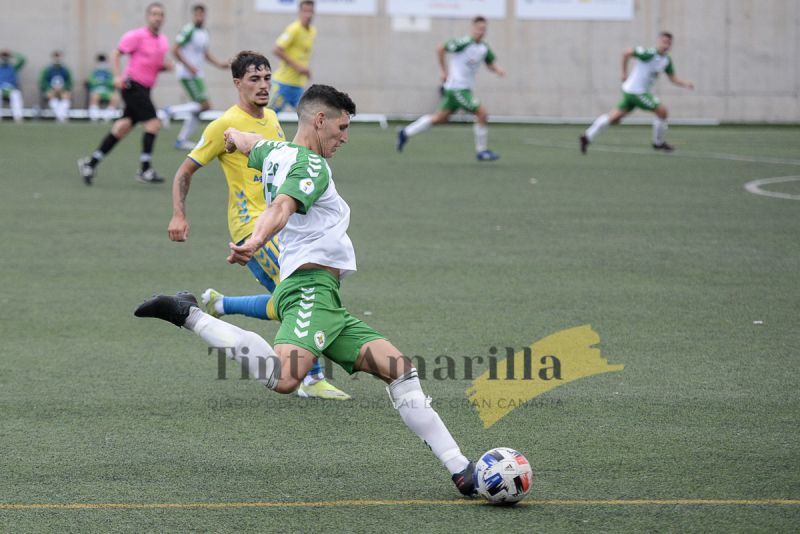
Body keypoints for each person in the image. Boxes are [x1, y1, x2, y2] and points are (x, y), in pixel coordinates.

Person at [136, 84, 477, 496]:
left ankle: (462, 469)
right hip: (309, 291)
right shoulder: (311, 167)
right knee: (284, 378)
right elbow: (281, 207)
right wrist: (257, 239)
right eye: (342, 127)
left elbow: (251, 143)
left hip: (326, 301)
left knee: (399, 371)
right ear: (320, 120)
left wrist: (235, 138)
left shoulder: (277, 152)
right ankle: (187, 313)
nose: (345, 137)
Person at [167, 51, 351, 401]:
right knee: (298, 291)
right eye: (254, 79)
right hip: (251, 227)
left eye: (267, 78)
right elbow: (184, 171)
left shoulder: (271, 119)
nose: (264, 85)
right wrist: (179, 214)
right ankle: (311, 378)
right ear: (237, 83)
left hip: (281, 224)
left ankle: (222, 305)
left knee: (286, 297)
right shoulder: (223, 124)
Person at [77, 2, 172, 186]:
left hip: (145, 89)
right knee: (153, 123)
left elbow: (153, 64)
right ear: (147, 16)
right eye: (154, 14)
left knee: (122, 127)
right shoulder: (136, 35)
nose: (157, 17)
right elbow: (116, 53)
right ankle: (145, 170)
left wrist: (164, 67)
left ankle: (90, 163)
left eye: (160, 14)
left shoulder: (163, 41)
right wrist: (116, 77)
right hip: (132, 86)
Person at [396, 16, 506, 161]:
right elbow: (441, 48)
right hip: (457, 89)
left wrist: (497, 70)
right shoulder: (464, 43)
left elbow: (490, 62)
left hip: (463, 89)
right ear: (473, 28)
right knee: (482, 114)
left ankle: (406, 132)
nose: (481, 31)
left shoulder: (483, 48)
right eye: (479, 28)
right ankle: (482, 151)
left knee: (439, 118)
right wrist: (443, 71)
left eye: (484, 29)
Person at [580, 32, 695, 154]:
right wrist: (623, 72)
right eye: (664, 42)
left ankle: (587, 136)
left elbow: (673, 78)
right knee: (662, 111)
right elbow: (627, 52)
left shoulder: (666, 60)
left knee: (614, 118)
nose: (666, 45)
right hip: (636, 92)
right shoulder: (649, 54)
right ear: (658, 41)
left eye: (669, 43)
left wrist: (685, 83)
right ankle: (658, 143)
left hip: (631, 92)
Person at [164, 4, 229, 150]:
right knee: (205, 105)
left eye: (202, 14)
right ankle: (170, 111)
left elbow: (205, 54)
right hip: (187, 74)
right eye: (197, 14)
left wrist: (219, 64)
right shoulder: (188, 30)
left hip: (197, 74)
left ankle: (181, 140)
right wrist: (189, 66)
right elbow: (174, 50)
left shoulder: (204, 32)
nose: (200, 17)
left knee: (201, 108)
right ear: (193, 15)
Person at [268, 0, 316, 113]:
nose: (308, 14)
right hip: (283, 84)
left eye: (310, 11)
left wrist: (306, 70)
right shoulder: (294, 29)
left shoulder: (312, 31)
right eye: (305, 11)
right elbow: (276, 49)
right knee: (268, 115)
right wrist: (298, 67)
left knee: (309, 117)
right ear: (299, 12)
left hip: (298, 86)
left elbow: (302, 55)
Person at [39, 50, 73, 123]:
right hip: (51, 90)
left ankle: (60, 116)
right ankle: (61, 117)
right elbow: (42, 82)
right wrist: (50, 88)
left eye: (59, 57)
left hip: (63, 90)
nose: (57, 59)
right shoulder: (48, 70)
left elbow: (69, 82)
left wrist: (64, 88)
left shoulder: (65, 70)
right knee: (50, 95)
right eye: (56, 57)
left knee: (66, 95)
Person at [87, 53, 120, 122]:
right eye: (100, 61)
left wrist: (102, 82)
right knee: (94, 96)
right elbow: (91, 82)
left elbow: (112, 82)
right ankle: (94, 116)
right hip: (97, 91)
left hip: (107, 92)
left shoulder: (109, 73)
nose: (102, 64)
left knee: (115, 97)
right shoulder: (94, 73)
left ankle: (108, 116)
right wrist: (98, 83)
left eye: (103, 61)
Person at [0, 49, 25, 123]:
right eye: (3, 56)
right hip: (1, 89)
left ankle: (18, 117)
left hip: (11, 89)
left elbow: (23, 60)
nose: (5, 58)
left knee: (16, 94)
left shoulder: (13, 67)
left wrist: (12, 54)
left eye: (6, 56)